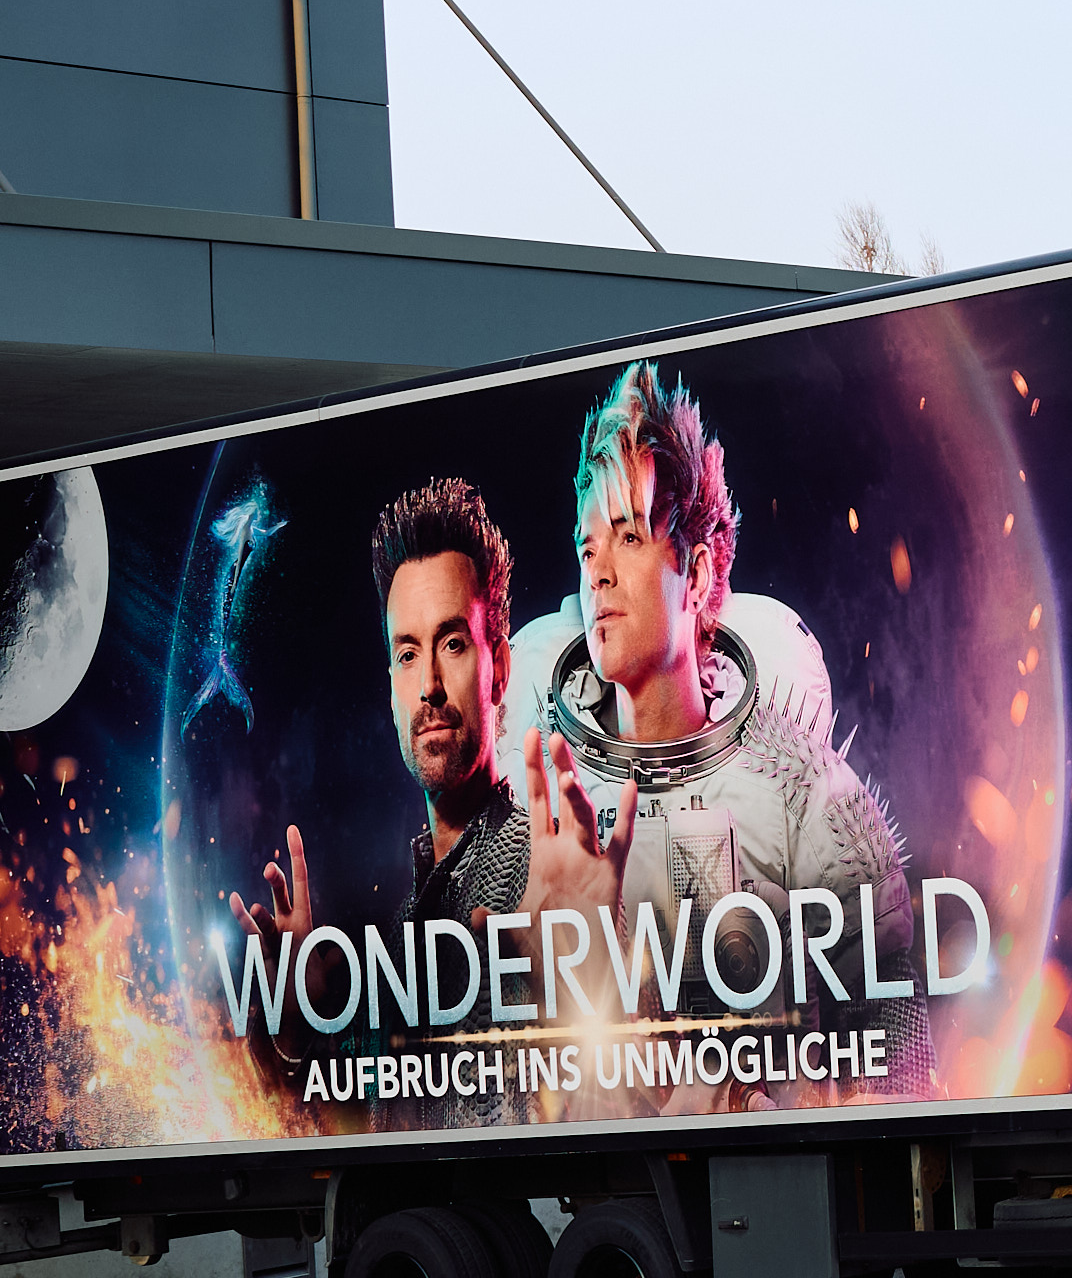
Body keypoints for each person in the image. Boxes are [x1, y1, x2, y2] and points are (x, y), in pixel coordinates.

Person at [501, 361, 921, 1079]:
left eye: (628, 538)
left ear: (694, 575)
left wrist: (794, 1108)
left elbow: (902, 1059)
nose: (597, 572)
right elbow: (483, 1076)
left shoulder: (806, 796)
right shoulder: (533, 814)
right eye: (587, 546)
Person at [228, 477, 534, 965]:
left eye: (452, 644)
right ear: (392, 692)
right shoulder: (403, 928)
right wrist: (307, 1009)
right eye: (408, 654)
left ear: (498, 670)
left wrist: (594, 960)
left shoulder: (546, 874)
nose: (429, 684)